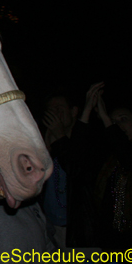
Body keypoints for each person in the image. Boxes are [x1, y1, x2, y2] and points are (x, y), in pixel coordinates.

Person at [41, 84, 103, 250]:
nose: (55, 114)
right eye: (51, 110)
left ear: (74, 111)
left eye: (59, 109)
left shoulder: (89, 144)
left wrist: (60, 136)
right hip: (49, 227)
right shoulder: (45, 142)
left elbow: (76, 169)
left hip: (78, 230)